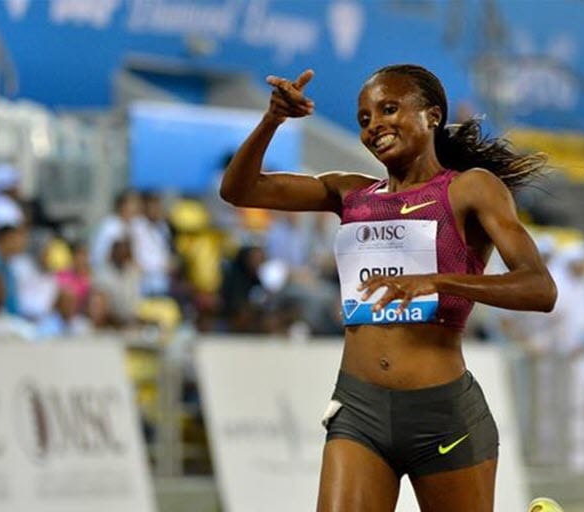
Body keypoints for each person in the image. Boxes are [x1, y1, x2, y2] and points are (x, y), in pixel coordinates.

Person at [219, 66, 561, 512]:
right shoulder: (350, 194)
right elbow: (239, 190)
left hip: (443, 415)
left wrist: (436, 281)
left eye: (389, 109)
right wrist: (272, 120)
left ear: (432, 115)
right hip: (359, 410)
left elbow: (540, 288)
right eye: (364, 119)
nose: (374, 125)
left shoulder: (469, 189)